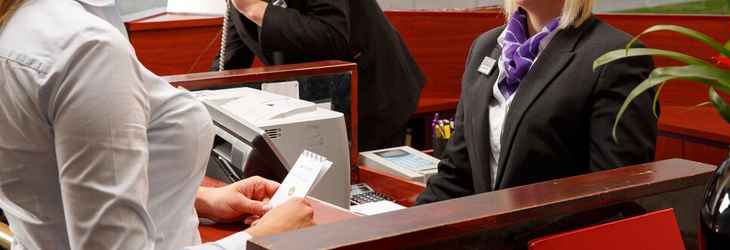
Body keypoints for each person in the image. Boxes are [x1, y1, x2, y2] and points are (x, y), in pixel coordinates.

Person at [0, 0, 314, 249]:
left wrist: (200, 199)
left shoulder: (22, 27)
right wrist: (260, 240)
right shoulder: (85, 48)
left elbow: (50, 175)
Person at [416, 0, 656, 214]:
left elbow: (613, 202)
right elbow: (456, 174)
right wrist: (403, 228)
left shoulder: (618, 57)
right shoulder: (485, 47)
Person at [215, 0, 426, 151]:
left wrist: (256, 9)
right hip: (314, 100)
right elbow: (231, 59)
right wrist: (200, 100)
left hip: (372, 94)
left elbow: (332, 36)